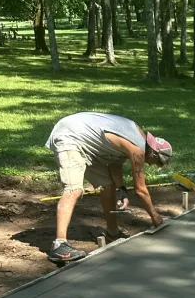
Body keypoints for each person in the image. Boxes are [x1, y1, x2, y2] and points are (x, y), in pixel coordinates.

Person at [44, 112, 173, 263]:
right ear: (154, 153)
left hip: (87, 142)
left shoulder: (136, 138)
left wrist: (121, 189)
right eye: (156, 162)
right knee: (74, 189)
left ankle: (113, 233)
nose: (152, 164)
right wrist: (155, 217)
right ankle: (59, 246)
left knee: (108, 185)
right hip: (70, 136)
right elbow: (140, 190)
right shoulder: (137, 151)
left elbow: (114, 165)